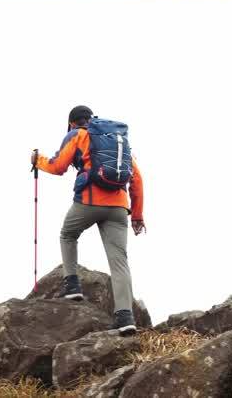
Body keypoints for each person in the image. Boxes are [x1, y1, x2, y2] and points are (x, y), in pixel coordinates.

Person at [32, 105, 146, 334]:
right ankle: (125, 317)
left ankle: (72, 285)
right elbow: (137, 180)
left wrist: (38, 161)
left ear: (72, 123)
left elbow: (58, 166)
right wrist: (137, 215)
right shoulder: (118, 142)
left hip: (88, 201)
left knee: (68, 234)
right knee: (119, 261)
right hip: (118, 207)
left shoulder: (78, 135)